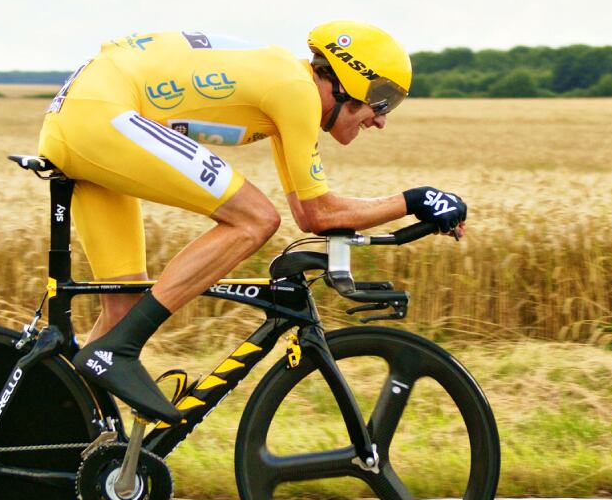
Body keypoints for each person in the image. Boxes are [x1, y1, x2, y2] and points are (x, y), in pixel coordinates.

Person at [37, 21, 466, 424]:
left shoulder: (288, 89)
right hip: (101, 113)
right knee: (254, 219)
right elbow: (319, 215)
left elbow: (310, 213)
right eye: (383, 100)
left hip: (83, 116)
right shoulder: (295, 89)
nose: (382, 119)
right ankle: (120, 351)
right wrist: (414, 200)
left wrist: (412, 205)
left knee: (123, 305)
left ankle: (63, 438)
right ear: (350, 80)